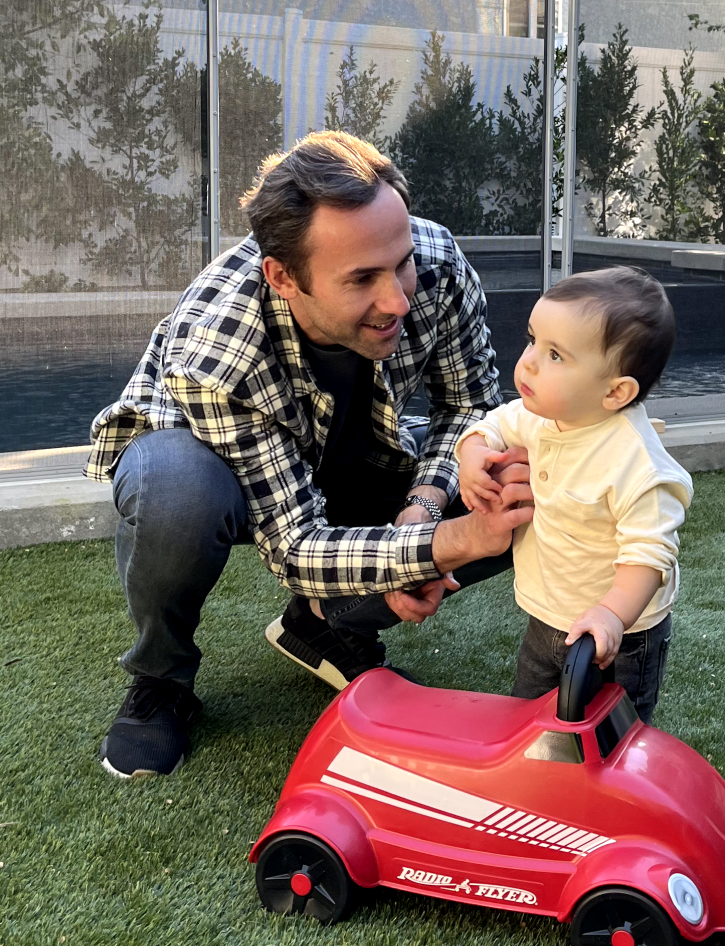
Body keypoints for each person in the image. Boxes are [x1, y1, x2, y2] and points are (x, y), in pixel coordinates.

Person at [84, 131, 533, 779]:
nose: (399, 300)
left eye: (399, 262)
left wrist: (425, 504)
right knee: (177, 490)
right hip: (220, 465)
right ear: (284, 277)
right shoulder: (215, 348)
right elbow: (294, 547)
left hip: (361, 450)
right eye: (362, 280)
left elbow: (469, 408)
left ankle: (326, 625)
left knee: (516, 475)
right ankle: (162, 677)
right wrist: (446, 542)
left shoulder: (435, 262)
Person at [456, 267, 692, 724]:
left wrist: (611, 617)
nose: (528, 363)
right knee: (531, 718)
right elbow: (490, 425)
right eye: (532, 340)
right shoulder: (540, 414)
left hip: (620, 637)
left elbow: (649, 556)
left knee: (613, 733)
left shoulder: (636, 465)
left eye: (556, 356)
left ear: (615, 392)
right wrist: (472, 455)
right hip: (548, 613)